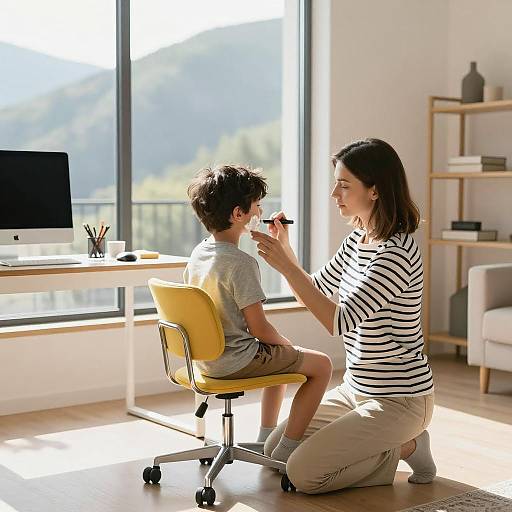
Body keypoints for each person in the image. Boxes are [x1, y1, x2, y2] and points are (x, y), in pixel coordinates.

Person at [251, 139, 436, 494]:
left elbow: (338, 321)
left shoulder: (395, 254)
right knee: (277, 454)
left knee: (303, 475)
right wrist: (287, 251)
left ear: (375, 190)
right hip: (355, 389)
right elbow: (316, 290)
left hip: (399, 399)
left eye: (345, 184)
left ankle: (409, 446)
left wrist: (286, 266)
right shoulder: (357, 241)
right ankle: (390, 446)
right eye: (336, 182)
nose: (335, 193)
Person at [185, 164, 332, 462]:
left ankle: (266, 438)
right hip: (236, 360)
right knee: (322, 365)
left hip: (204, 360)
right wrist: (287, 343)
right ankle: (286, 449)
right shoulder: (241, 264)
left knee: (281, 358)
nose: (260, 212)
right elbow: (260, 330)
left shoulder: (199, 253)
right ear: (239, 214)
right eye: (257, 206)